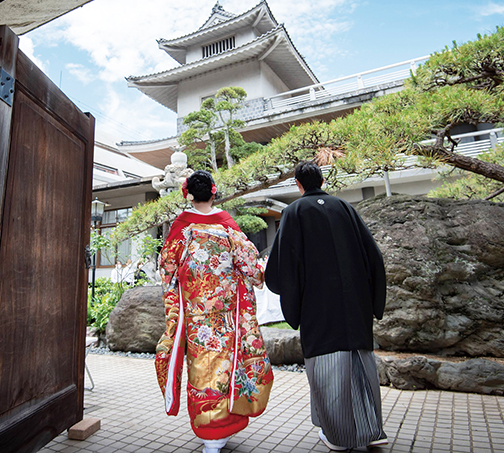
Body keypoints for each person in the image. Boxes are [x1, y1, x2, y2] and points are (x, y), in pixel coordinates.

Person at [265, 161, 388, 451]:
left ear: (298, 184)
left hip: (318, 305)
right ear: (322, 179)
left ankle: (339, 436)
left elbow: (285, 266)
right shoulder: (345, 208)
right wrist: (371, 298)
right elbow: (374, 256)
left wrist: (287, 292)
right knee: (361, 363)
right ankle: (372, 428)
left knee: (326, 369)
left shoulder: (293, 212)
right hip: (354, 302)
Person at [155, 170, 274, 453]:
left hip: (196, 318)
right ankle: (220, 430)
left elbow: (166, 268)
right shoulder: (228, 227)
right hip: (227, 317)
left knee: (201, 371)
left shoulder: (182, 229)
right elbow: (252, 267)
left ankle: (210, 435)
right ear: (213, 192)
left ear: (189, 194)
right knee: (225, 369)